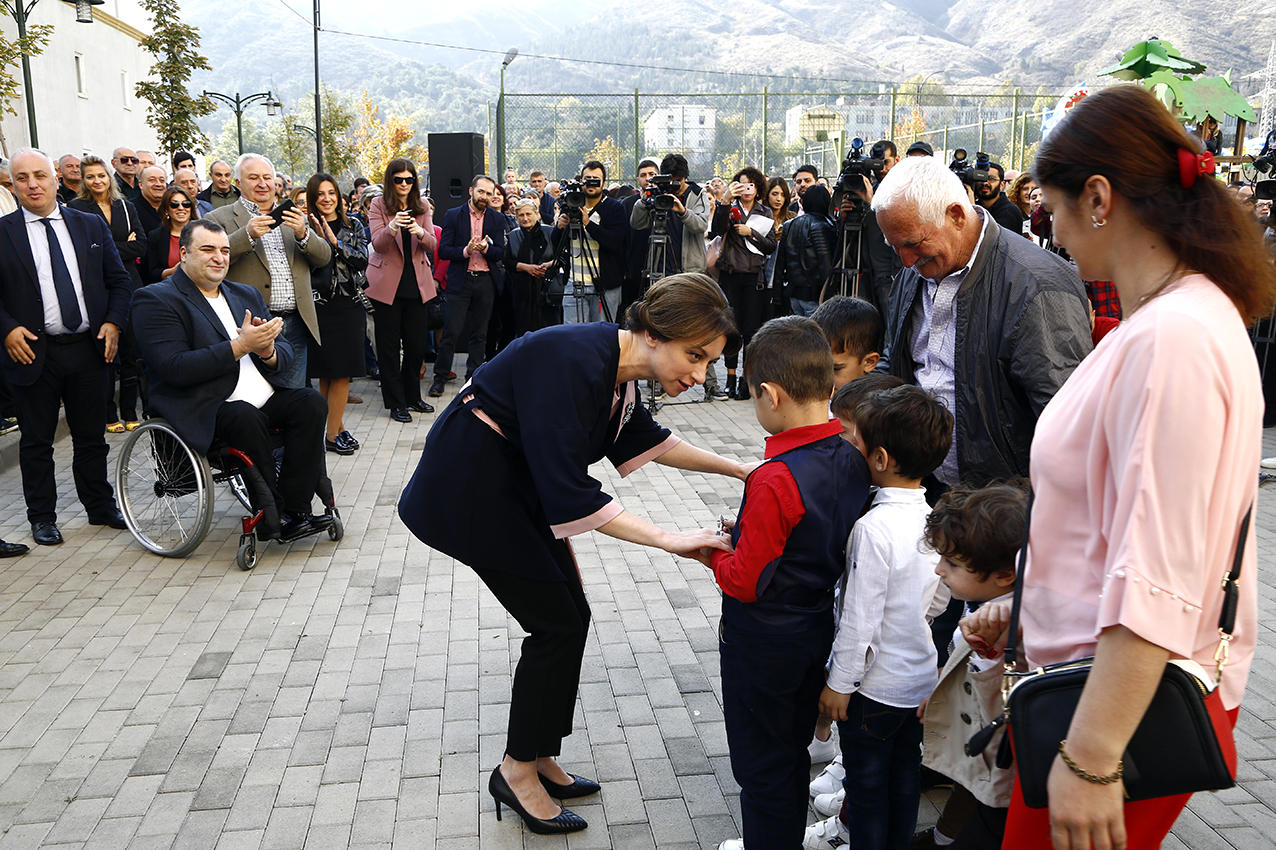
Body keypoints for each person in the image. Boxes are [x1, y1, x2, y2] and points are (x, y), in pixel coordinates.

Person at [961, 84, 1274, 849]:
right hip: (1092, 680)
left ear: (1098, 197)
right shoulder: (1175, 320)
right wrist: (1037, 605)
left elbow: (1161, 565)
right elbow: (1114, 516)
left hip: (1112, 708)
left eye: (1055, 209)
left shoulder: (1175, 337)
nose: (1053, 232)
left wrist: (1095, 756)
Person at [399, 274, 749, 837]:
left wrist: (743, 467)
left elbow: (650, 441)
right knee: (555, 624)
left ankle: (538, 755)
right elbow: (570, 492)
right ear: (654, 333)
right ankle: (516, 771)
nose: (700, 373)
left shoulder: (620, 370)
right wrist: (669, 538)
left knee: (569, 619)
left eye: (709, 362)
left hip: (514, 491)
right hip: (469, 492)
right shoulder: (572, 359)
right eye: (696, 355)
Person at [709, 316, 871, 850]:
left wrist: (714, 554)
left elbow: (747, 581)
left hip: (764, 641)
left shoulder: (774, 477)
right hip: (815, 625)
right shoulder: (852, 456)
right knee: (789, 749)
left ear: (769, 394)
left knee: (763, 768)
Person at [873, 154, 1091, 489]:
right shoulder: (915, 270)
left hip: (1000, 508)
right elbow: (899, 358)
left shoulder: (1035, 285)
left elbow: (1066, 420)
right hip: (926, 490)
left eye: (913, 244)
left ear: (956, 216)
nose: (905, 260)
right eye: (894, 247)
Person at [803, 383, 952, 850]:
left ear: (881, 459)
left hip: (872, 691)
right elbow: (942, 598)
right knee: (904, 782)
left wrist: (838, 686)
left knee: (867, 793)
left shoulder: (871, 528)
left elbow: (858, 619)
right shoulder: (933, 518)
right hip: (917, 683)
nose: (850, 448)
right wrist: (913, 623)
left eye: (856, 443)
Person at [131, 219, 334, 542]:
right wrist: (240, 347)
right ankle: (272, 514)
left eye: (225, 250)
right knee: (243, 415)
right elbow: (174, 367)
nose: (219, 258)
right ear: (183, 254)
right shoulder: (156, 299)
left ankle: (296, 509)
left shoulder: (244, 293)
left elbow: (283, 352)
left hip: (261, 399)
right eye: (207, 249)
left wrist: (267, 351)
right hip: (205, 407)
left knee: (310, 402)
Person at [0, 148, 132, 546]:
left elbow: (120, 282)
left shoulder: (90, 225)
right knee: (36, 441)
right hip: (32, 352)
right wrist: (6, 330)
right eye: (22, 178)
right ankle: (42, 517)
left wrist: (113, 323)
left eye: (39, 175)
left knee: (91, 437)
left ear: (56, 179)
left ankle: (99, 506)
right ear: (13, 185)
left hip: (88, 350)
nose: (32, 184)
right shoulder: (3, 233)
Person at [911, 481, 1027, 850]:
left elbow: (1001, 696)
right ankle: (944, 837)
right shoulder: (983, 599)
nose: (939, 571)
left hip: (1003, 767)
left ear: (1005, 575)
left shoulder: (1011, 627)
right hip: (981, 753)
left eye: (953, 563)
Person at [207, 153, 331, 390]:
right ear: (238, 183)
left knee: (293, 398)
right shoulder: (218, 218)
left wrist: (303, 234)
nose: (262, 183)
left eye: (267, 177)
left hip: (294, 323)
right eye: (253, 177)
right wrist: (247, 235)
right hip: (247, 325)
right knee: (253, 395)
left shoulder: (293, 215)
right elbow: (211, 260)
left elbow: (324, 256)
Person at [68, 156, 149, 433]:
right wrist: (119, 246)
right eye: (90, 177)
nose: (97, 181)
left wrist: (107, 247)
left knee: (131, 354)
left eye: (101, 176)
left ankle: (129, 411)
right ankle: (108, 413)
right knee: (106, 355)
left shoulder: (125, 206)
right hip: (98, 289)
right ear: (84, 180)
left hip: (130, 285)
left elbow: (141, 246)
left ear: (108, 177)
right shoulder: (76, 208)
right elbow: (83, 251)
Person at [367, 158, 437, 423]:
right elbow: (378, 243)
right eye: (399, 180)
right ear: (391, 181)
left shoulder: (422, 206)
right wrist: (393, 225)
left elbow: (431, 244)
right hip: (387, 287)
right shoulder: (379, 205)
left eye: (409, 179)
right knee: (387, 348)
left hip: (417, 286)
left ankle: (413, 396)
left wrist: (418, 230)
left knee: (416, 346)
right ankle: (396, 403)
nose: (404, 184)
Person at [306, 173, 369, 454]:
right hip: (318, 306)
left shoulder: (352, 224)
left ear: (339, 197)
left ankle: (332, 433)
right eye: (320, 194)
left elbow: (361, 261)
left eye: (331, 193)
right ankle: (335, 432)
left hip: (348, 303)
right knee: (326, 375)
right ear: (313, 198)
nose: (327, 199)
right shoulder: (305, 227)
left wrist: (334, 242)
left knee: (342, 373)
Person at [429, 175, 505, 398]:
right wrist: (465, 250)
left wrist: (485, 249)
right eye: (481, 192)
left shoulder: (497, 219)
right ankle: (440, 378)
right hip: (460, 282)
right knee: (451, 332)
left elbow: (500, 252)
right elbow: (444, 251)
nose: (485, 197)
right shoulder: (454, 215)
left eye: (489, 193)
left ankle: (473, 378)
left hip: (485, 281)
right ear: (471, 190)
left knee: (479, 334)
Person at [710, 166, 775, 399]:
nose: (746, 188)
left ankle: (746, 381)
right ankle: (729, 376)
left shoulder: (764, 212)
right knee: (731, 328)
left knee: (750, 330)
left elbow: (770, 245)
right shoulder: (730, 208)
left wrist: (751, 233)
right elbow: (717, 230)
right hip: (730, 274)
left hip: (754, 277)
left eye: (751, 184)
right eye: (741, 184)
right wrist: (725, 200)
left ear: (757, 188)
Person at [772, 184, 834, 318]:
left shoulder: (789, 225)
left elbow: (779, 263)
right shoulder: (822, 226)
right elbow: (825, 264)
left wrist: (777, 295)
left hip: (793, 293)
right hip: (815, 295)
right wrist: (831, 296)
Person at [504, 196, 563, 336]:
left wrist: (548, 265)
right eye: (521, 215)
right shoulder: (513, 236)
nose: (525, 218)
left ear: (537, 214)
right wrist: (527, 267)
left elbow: (562, 257)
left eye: (528, 214)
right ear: (516, 217)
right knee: (524, 330)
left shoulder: (550, 232)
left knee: (550, 330)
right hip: (522, 292)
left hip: (548, 289)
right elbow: (507, 262)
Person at [810, 295, 884, 390]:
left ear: (869, 362)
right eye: (815, 368)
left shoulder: (878, 404)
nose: (820, 379)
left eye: (835, 369)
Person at [144, 185, 199, 284]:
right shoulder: (156, 236)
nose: (181, 208)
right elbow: (151, 272)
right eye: (174, 205)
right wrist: (172, 271)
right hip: (169, 289)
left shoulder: (203, 233)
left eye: (186, 204)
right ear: (166, 209)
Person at [974, 161, 1026, 234]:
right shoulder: (975, 204)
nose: (985, 183)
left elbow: (987, 239)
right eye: (981, 178)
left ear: (1002, 185)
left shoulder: (1009, 211)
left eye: (991, 178)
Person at [133, 165, 169, 238]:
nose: (158, 184)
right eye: (152, 180)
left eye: (162, 181)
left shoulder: (173, 207)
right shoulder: (130, 209)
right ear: (141, 185)